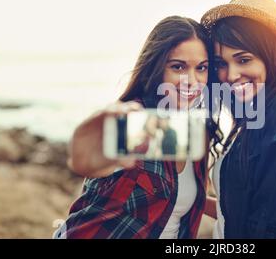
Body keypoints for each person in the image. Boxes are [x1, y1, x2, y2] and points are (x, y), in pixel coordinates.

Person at [55, 16, 222, 239]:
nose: (192, 80)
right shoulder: (137, 120)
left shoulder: (193, 130)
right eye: (178, 67)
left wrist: (230, 211)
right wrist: (86, 145)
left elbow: (175, 197)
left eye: (201, 68)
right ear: (156, 67)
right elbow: (87, 162)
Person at [201, 0, 276, 238]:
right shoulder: (251, 114)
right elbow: (241, 211)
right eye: (221, 64)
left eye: (243, 60)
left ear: (270, 58)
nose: (231, 75)